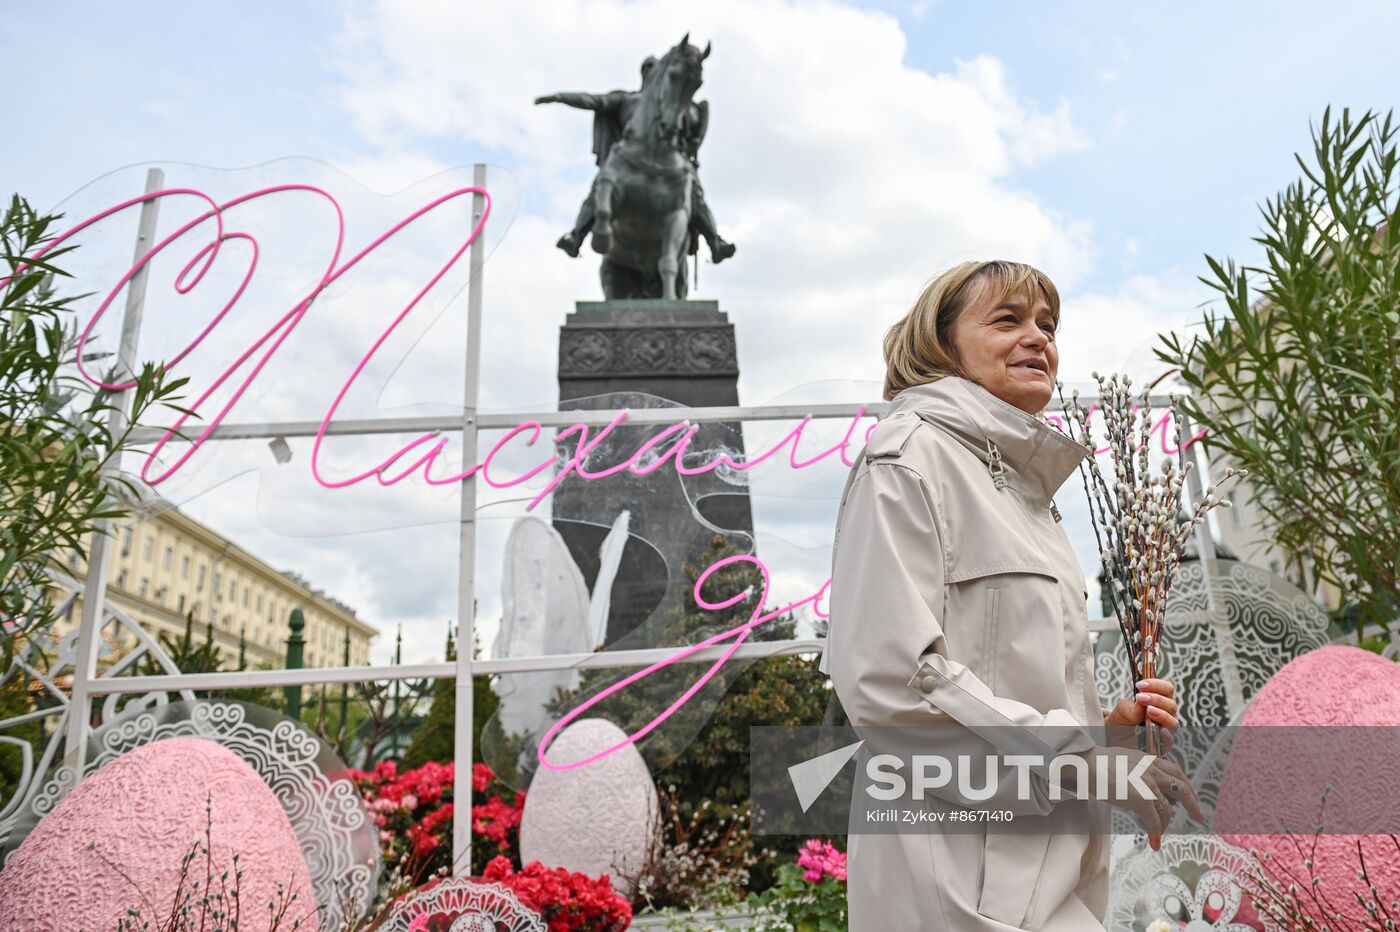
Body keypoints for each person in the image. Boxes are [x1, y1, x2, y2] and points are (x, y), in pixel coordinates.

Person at [819, 260, 1204, 930]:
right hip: (960, 874)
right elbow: (892, 687)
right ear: (943, 346)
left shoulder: (1027, 494)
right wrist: (1087, 765)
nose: (1037, 338)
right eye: (1008, 319)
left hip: (1046, 866)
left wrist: (1106, 732)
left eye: (1047, 324)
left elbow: (1003, 678)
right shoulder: (907, 461)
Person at [534, 55, 736, 263]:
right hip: (629, 160)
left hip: (670, 162)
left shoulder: (672, 104)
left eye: (655, 69)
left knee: (695, 192)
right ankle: (577, 235)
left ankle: (714, 241)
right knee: (600, 185)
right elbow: (594, 101)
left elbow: (693, 124)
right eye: (647, 69)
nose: (651, 73)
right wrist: (559, 97)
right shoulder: (626, 100)